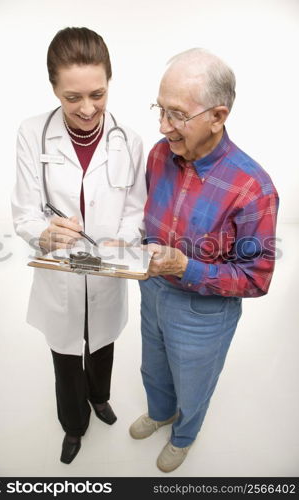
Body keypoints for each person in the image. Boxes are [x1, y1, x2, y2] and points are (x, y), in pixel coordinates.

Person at [129, 48, 279, 473]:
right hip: (152, 288)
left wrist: (186, 268)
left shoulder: (253, 188)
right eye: (161, 109)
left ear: (218, 116)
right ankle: (160, 413)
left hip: (203, 311)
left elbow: (256, 279)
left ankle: (184, 435)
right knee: (153, 368)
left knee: (193, 385)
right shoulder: (160, 154)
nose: (162, 126)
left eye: (176, 114)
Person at [11, 27, 146, 464]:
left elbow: (136, 210)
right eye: (72, 98)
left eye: (98, 94)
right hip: (61, 275)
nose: (87, 109)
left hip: (107, 270)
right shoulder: (32, 133)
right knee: (67, 355)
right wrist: (44, 234)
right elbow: (25, 212)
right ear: (54, 88)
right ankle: (74, 425)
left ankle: (101, 398)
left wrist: (114, 244)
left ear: (110, 82)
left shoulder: (131, 140)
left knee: (102, 344)